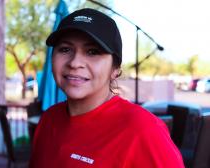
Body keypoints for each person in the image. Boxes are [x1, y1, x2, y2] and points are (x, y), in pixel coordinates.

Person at [29, 8, 184, 168]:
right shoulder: (49, 119)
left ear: (115, 69)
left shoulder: (143, 130)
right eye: (65, 49)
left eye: (92, 52)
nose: (75, 63)